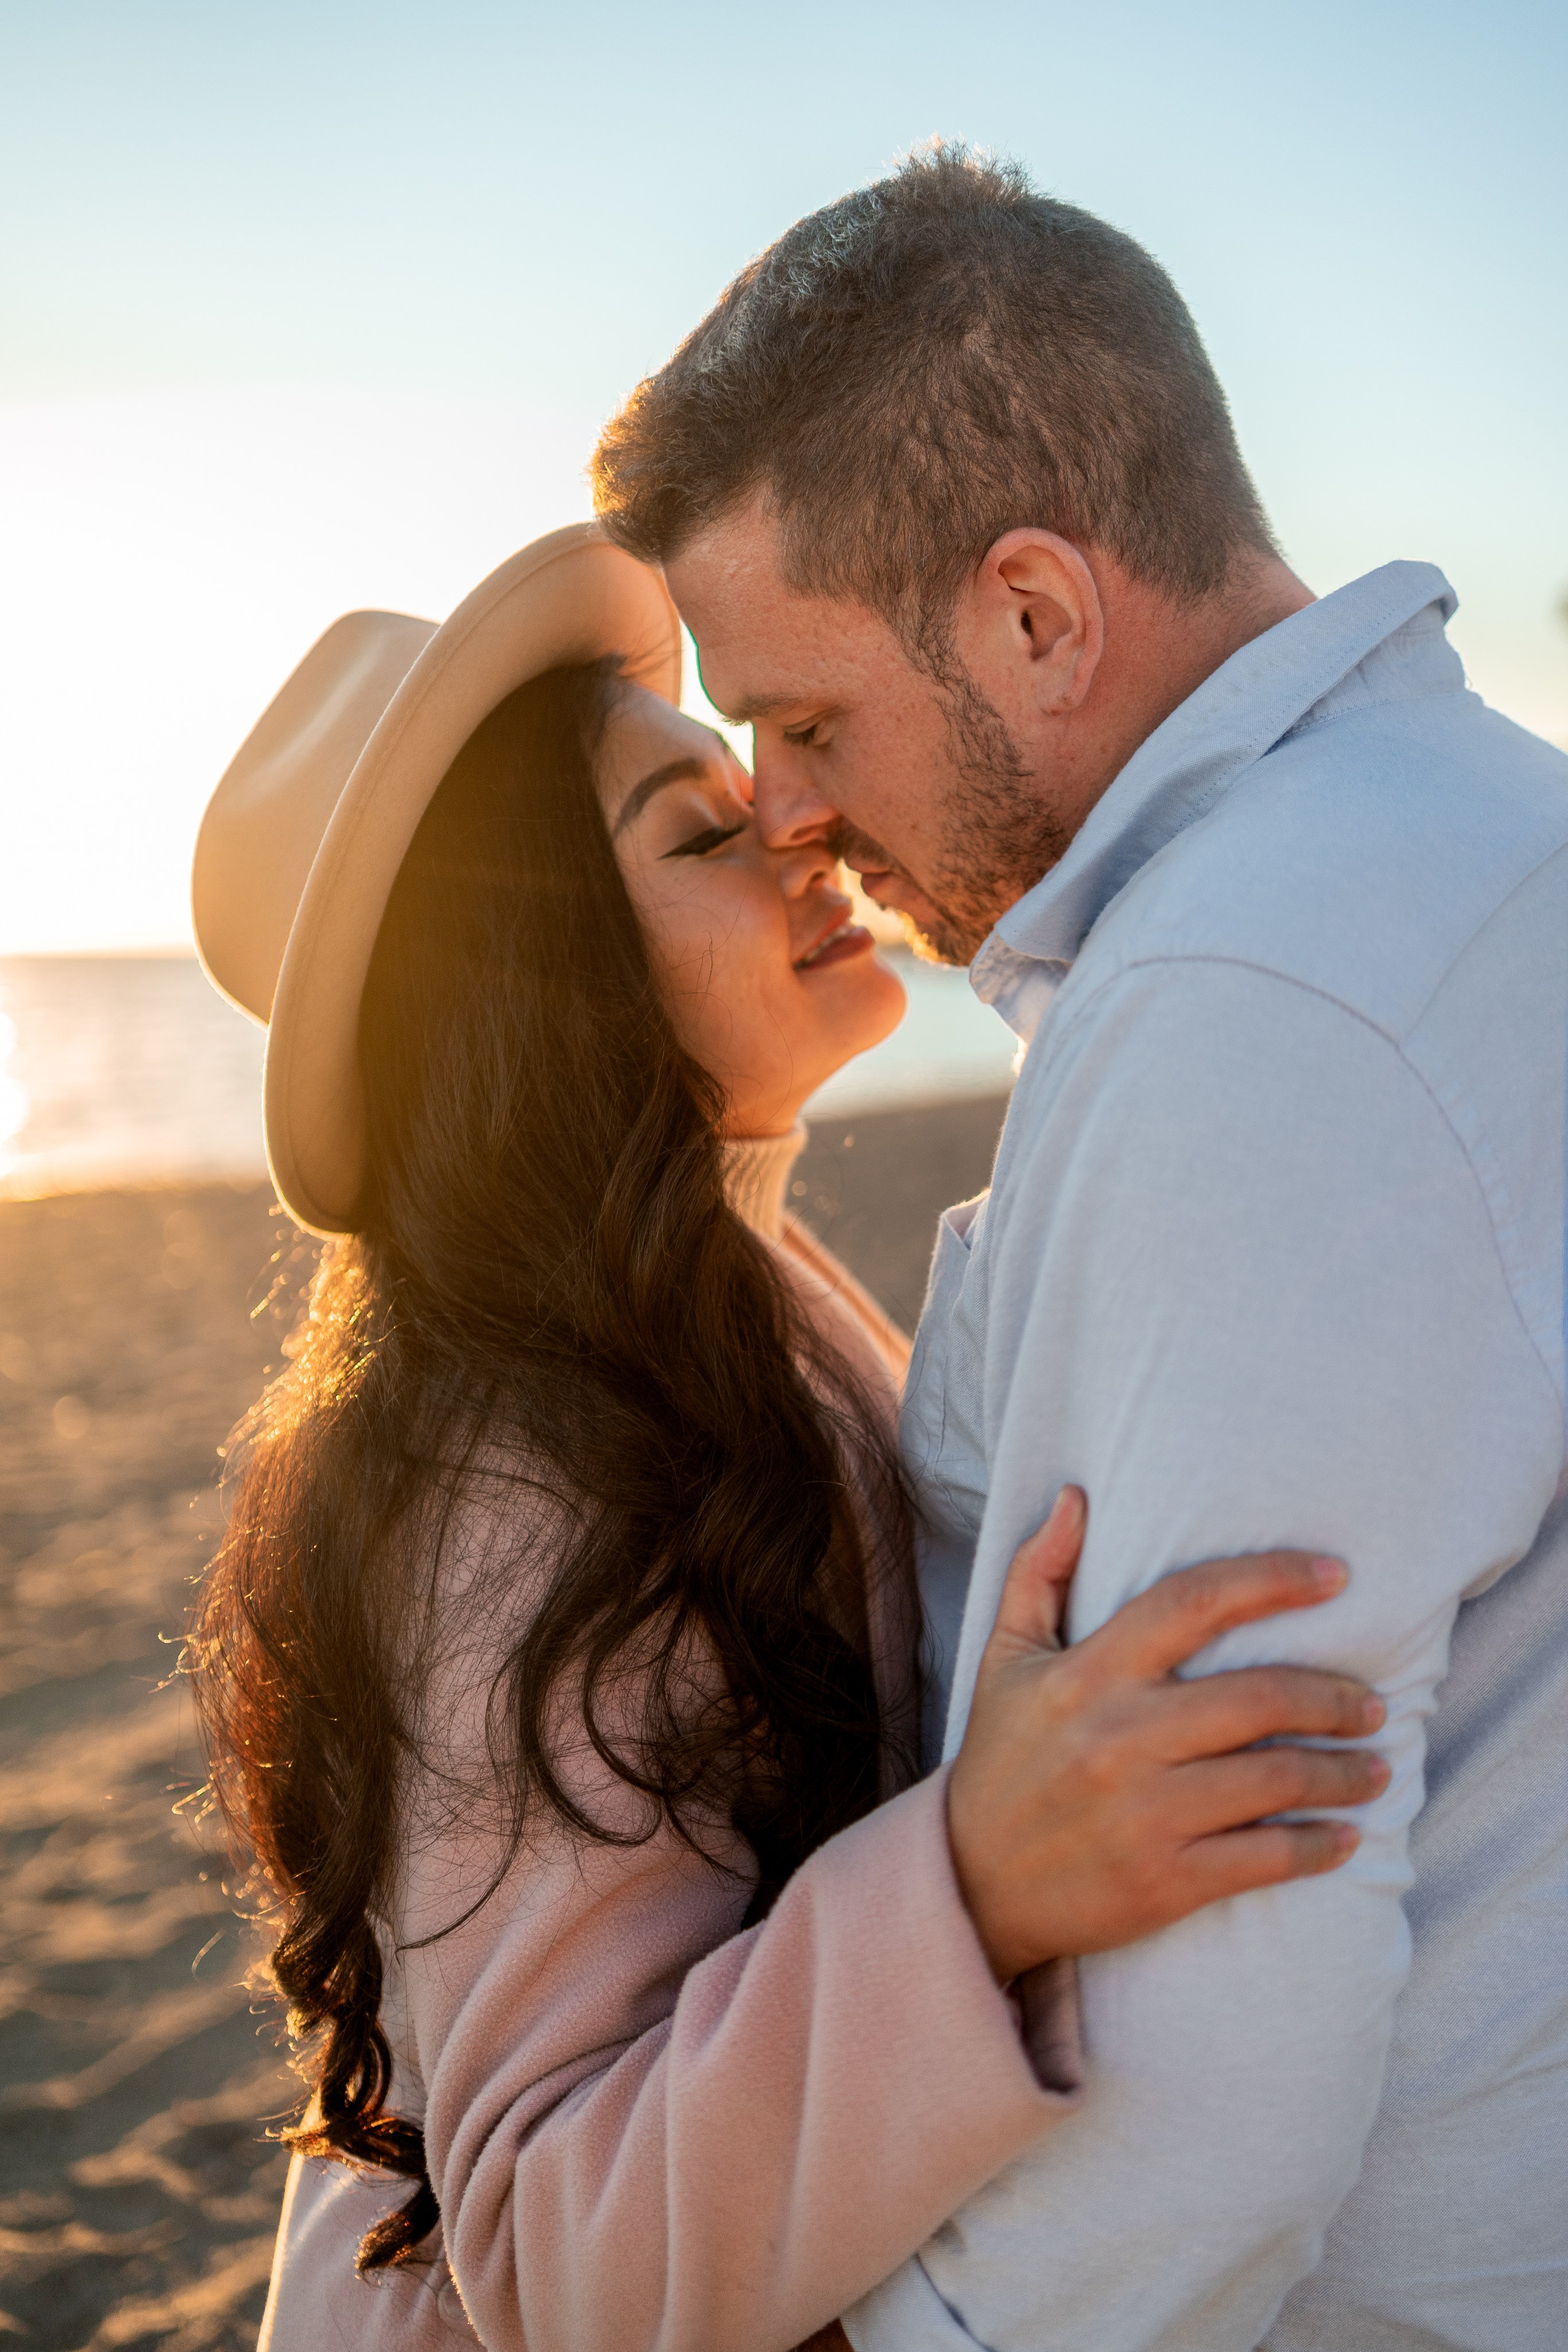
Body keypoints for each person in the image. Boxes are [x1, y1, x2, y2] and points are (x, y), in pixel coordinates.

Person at [187, 526, 1382, 2351]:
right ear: (545, 987)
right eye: (696, 835)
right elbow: (555, 2254)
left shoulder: (706, 1292)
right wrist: (978, 1879)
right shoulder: (522, 1479)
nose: (799, 831)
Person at [590, 143, 1568, 2350]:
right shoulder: (1497, 840)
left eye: (810, 718)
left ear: (1034, 612)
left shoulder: (1254, 999)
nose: (783, 808)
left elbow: (1220, 2012)